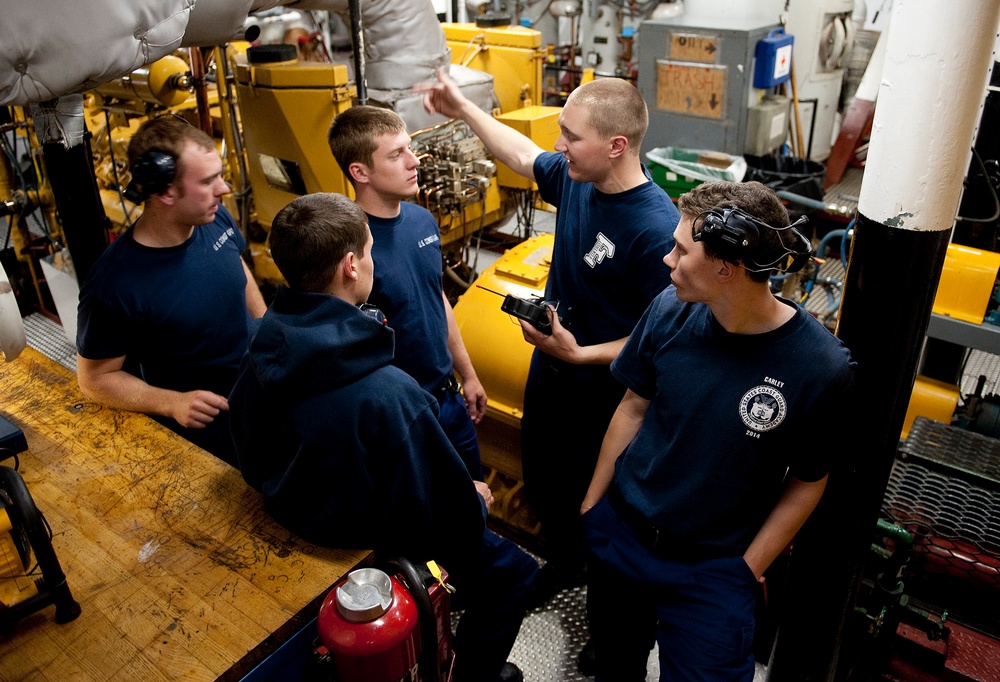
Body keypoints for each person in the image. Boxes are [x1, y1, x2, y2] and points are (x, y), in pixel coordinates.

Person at [228, 192, 538, 682]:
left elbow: (249, 454)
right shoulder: (391, 395)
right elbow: (445, 521)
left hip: (294, 515)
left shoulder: (261, 347)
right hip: (371, 546)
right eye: (370, 251)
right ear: (351, 265)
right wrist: (474, 498)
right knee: (516, 576)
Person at [578, 181, 857, 681]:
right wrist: (594, 507)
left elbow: (808, 481)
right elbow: (633, 406)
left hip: (713, 571)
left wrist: (745, 571)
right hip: (624, 537)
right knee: (613, 668)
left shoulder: (820, 368)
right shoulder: (669, 309)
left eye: (681, 250)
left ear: (726, 269)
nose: (668, 260)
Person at [419, 70, 679, 598]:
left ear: (617, 146)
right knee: (546, 479)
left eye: (572, 137)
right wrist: (464, 109)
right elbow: (520, 155)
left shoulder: (655, 229)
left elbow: (659, 338)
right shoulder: (579, 180)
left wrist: (582, 354)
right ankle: (565, 562)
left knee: (596, 497)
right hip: (553, 371)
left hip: (605, 395)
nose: (559, 146)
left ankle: (604, 603)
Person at [76, 116, 265, 466]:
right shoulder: (115, 284)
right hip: (210, 431)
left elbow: (237, 267)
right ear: (164, 191)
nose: (223, 189)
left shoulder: (213, 217)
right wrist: (172, 402)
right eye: (208, 181)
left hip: (260, 391)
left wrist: (265, 323)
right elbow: (95, 379)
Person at [327, 105, 487, 480]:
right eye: (397, 154)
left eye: (409, 148)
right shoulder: (350, 250)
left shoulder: (421, 219)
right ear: (360, 171)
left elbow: (436, 297)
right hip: (404, 416)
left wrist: (468, 373)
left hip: (449, 399)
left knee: (477, 504)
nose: (415, 161)